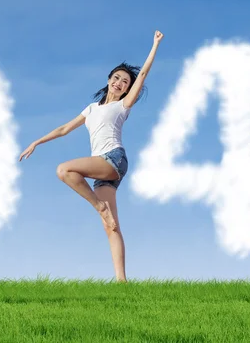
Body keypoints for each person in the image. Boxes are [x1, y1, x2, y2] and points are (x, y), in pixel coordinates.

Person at [19, 30, 164, 282]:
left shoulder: (122, 106)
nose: (119, 83)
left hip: (113, 159)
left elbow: (142, 74)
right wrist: (37, 141)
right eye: (116, 78)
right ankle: (122, 281)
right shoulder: (92, 108)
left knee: (64, 170)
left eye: (125, 83)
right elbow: (64, 129)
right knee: (111, 226)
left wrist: (155, 45)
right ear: (109, 79)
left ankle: (99, 207)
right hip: (102, 170)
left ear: (128, 90)